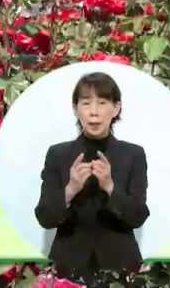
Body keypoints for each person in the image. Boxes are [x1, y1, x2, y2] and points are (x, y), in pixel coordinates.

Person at [35, 72, 148, 285]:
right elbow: (44, 217)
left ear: (116, 108)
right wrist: (70, 189)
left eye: (102, 103)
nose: (94, 112)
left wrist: (110, 187)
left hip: (121, 268)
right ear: (76, 108)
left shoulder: (133, 154)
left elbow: (138, 216)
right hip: (68, 269)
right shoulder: (57, 154)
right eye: (86, 103)